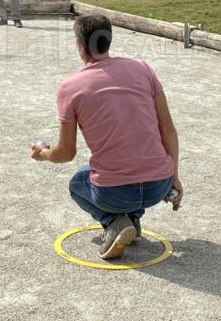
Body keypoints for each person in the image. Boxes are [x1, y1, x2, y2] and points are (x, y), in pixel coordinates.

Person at [30, 14, 183, 260]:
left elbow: (66, 153)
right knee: (133, 168)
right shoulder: (143, 69)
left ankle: (114, 220)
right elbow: (168, 129)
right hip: (159, 186)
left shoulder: (70, 87)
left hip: (114, 193)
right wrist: (174, 178)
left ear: (79, 45)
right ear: (108, 40)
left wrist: (43, 153)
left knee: (78, 184)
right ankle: (133, 218)